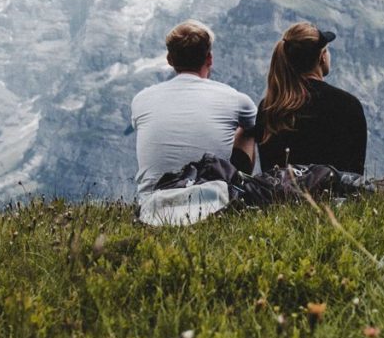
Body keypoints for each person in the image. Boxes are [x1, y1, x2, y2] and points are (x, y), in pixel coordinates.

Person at [130, 20, 256, 203]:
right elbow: (259, 128)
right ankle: (238, 191)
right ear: (209, 58)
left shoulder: (141, 99)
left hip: (152, 206)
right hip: (213, 203)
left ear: (169, 60)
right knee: (248, 129)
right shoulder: (236, 99)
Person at [255, 22, 367, 174]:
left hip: (281, 194)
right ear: (322, 57)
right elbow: (355, 173)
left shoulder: (269, 107)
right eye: (327, 51)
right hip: (337, 196)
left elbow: (268, 169)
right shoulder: (348, 104)